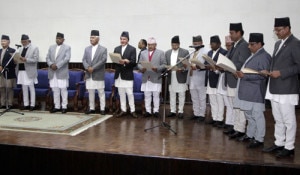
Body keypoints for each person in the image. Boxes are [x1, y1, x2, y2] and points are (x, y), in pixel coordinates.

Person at [263, 17, 300, 158]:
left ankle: (289, 147)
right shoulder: (278, 44)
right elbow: (276, 63)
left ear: (287, 29)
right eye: (275, 30)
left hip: (287, 88)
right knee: (277, 118)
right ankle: (279, 143)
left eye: (278, 30)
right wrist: (268, 71)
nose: (276, 33)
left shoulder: (295, 44)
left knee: (288, 120)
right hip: (275, 87)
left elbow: (298, 66)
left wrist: (281, 73)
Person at [234, 33, 271, 148]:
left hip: (255, 93)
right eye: (249, 44)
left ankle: (259, 139)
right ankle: (250, 135)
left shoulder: (264, 56)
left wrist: (244, 76)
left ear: (260, 44)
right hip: (247, 92)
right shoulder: (254, 55)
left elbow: (262, 76)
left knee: (257, 116)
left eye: (252, 44)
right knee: (249, 115)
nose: (249, 47)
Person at [223, 23, 251, 140]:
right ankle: (236, 127)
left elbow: (242, 62)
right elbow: (228, 58)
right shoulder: (235, 45)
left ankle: (240, 129)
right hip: (231, 78)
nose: (231, 35)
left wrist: (230, 66)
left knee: (239, 106)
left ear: (239, 33)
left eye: (232, 33)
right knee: (234, 106)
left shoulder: (244, 45)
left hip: (237, 79)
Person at [138, 37, 166, 117]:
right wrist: (141, 68)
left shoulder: (160, 53)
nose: (150, 46)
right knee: (147, 95)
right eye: (149, 45)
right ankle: (148, 111)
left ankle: (156, 111)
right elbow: (139, 63)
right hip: (146, 76)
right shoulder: (143, 53)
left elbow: (164, 64)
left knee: (156, 95)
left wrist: (157, 69)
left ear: (155, 45)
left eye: (152, 45)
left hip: (156, 76)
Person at [82, 30, 107, 115]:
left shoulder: (103, 49)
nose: (91, 39)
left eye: (93, 38)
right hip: (89, 74)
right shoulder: (87, 49)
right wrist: (88, 67)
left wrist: (93, 68)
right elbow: (84, 60)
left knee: (101, 92)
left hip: (98, 74)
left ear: (98, 39)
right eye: (90, 38)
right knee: (91, 92)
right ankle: (92, 108)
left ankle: (102, 108)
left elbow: (103, 60)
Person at [114, 31, 137, 118]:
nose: (122, 40)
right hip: (119, 75)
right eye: (121, 39)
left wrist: (127, 62)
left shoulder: (132, 49)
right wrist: (119, 61)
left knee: (130, 93)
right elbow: (115, 61)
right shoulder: (116, 49)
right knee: (121, 94)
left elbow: (134, 62)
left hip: (127, 75)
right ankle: (123, 110)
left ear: (128, 40)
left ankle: (132, 110)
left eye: (124, 39)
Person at [205, 35, 227, 127]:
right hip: (210, 78)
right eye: (210, 44)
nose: (211, 45)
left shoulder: (224, 52)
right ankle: (214, 118)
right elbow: (206, 64)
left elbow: (224, 66)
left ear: (219, 44)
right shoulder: (209, 53)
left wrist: (216, 69)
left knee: (219, 101)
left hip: (218, 79)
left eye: (213, 44)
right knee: (212, 100)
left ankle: (220, 119)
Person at [46, 32, 71, 114]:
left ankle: (64, 106)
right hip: (52, 72)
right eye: (57, 38)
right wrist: (51, 64)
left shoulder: (67, 47)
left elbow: (66, 59)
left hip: (61, 71)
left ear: (63, 40)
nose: (58, 40)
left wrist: (57, 65)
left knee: (63, 90)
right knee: (55, 90)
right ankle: (57, 106)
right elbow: (47, 58)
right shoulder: (51, 47)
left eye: (59, 38)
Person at [165, 36, 189, 119]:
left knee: (181, 94)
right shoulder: (167, 53)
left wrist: (182, 69)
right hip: (171, 76)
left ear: (179, 44)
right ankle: (172, 111)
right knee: (172, 94)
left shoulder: (185, 52)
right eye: (172, 45)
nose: (174, 46)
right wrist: (167, 67)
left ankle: (181, 111)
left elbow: (187, 65)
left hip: (180, 75)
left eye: (175, 45)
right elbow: (165, 63)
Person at [188, 35, 209, 122]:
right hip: (192, 77)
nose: (195, 45)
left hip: (201, 77)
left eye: (197, 43)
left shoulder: (206, 52)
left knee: (202, 97)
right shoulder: (192, 53)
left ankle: (202, 114)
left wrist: (198, 66)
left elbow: (206, 65)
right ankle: (196, 113)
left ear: (201, 43)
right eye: (194, 44)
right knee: (194, 97)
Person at [17, 34, 39, 111]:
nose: (23, 43)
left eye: (25, 41)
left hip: (29, 71)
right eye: (22, 41)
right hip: (21, 70)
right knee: (24, 88)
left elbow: (35, 59)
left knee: (31, 87)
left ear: (28, 41)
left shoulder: (34, 48)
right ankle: (26, 104)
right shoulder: (20, 49)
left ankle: (32, 104)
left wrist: (26, 59)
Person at [0, 35, 16, 109]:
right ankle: (2, 103)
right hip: (1, 73)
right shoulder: (0, 51)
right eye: (2, 41)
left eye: (4, 41)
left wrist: (2, 66)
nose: (3, 42)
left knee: (9, 88)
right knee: (2, 88)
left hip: (9, 72)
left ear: (8, 42)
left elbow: (13, 62)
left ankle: (10, 103)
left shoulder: (12, 51)